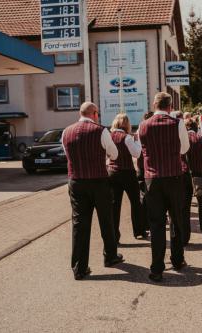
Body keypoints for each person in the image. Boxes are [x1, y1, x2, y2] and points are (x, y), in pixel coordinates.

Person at [62, 102, 124, 280]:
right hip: (98, 181)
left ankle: (79, 267)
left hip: (76, 181)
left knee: (79, 224)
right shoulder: (101, 130)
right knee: (106, 219)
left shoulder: (66, 132)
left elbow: (68, 154)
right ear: (94, 113)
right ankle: (110, 256)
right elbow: (114, 154)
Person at [138, 92, 190, 282]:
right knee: (176, 220)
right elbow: (184, 149)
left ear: (154, 105)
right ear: (170, 106)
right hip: (174, 176)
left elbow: (141, 149)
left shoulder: (143, 125)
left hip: (152, 178)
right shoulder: (177, 123)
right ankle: (177, 260)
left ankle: (157, 267)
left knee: (156, 224)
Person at [108, 113, 146, 243]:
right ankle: (139, 231)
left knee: (114, 205)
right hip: (127, 173)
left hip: (112, 172)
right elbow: (136, 153)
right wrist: (138, 140)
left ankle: (113, 236)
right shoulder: (127, 137)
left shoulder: (108, 136)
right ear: (127, 124)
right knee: (135, 202)